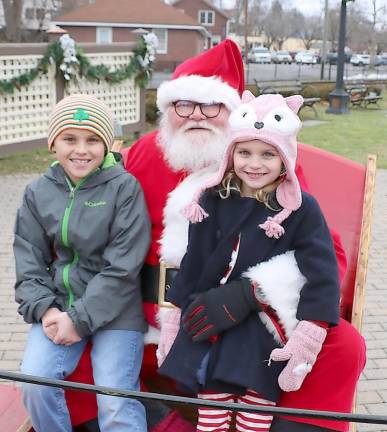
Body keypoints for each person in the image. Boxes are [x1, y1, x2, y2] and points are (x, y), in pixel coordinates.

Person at [124, 40, 365, 432]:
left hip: (246, 315)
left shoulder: (264, 160)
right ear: (168, 111)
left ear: (234, 112)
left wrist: (252, 293)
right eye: (183, 105)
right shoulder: (146, 153)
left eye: (211, 106)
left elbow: (325, 253)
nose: (195, 116)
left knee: (345, 347)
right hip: (157, 315)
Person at [157, 91, 341, 432]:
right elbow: (193, 263)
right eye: (244, 152)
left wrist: (309, 333)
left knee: (254, 408)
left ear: (285, 158)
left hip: (260, 327)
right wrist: (174, 316)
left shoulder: (300, 209)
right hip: (211, 321)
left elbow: (323, 274)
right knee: (211, 406)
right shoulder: (212, 200)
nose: (254, 164)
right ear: (231, 154)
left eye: (268, 154)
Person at [14, 94, 151, 432]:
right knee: (34, 383)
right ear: (53, 143)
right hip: (58, 306)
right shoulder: (37, 192)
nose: (81, 150)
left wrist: (79, 320)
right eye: (69, 139)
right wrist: (46, 310)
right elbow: (28, 260)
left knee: (114, 400)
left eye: (93, 140)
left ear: (106, 145)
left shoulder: (124, 188)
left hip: (116, 309)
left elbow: (123, 267)